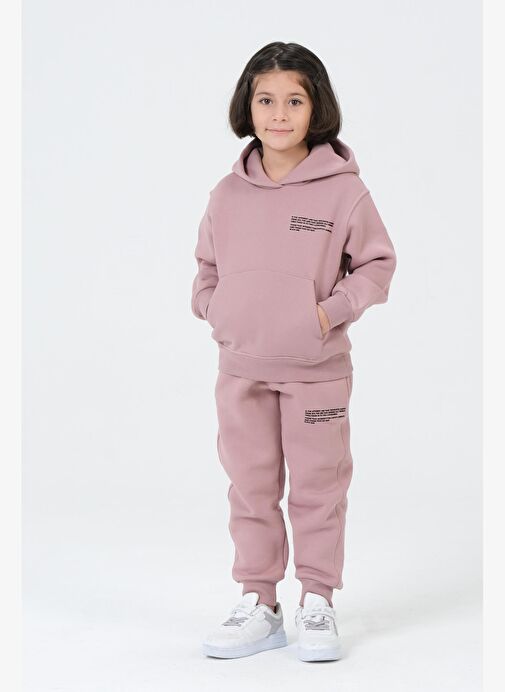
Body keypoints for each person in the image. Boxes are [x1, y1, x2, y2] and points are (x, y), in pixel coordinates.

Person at [191, 41, 397, 662]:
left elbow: (377, 265)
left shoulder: (343, 193)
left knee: (318, 487)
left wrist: (326, 314)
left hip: (316, 372)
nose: (278, 114)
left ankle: (317, 600)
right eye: (265, 100)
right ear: (247, 107)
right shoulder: (226, 194)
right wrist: (215, 307)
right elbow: (206, 268)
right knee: (249, 487)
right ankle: (260, 603)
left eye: (294, 101)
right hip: (241, 369)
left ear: (316, 108)